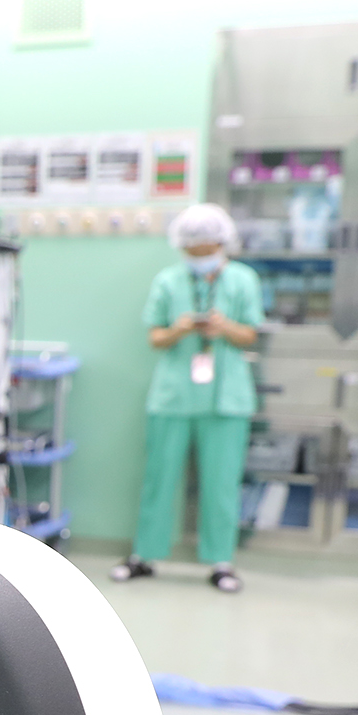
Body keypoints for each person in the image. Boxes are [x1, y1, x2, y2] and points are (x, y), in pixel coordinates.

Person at [113, 205, 264, 593]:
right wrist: (181, 329)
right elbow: (155, 337)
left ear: (221, 244)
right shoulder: (168, 281)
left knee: (222, 483)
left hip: (226, 399)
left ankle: (221, 562)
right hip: (173, 396)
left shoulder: (243, 280)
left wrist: (223, 327)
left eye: (206, 248)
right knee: (159, 478)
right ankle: (145, 555)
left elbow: (250, 334)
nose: (199, 255)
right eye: (192, 249)